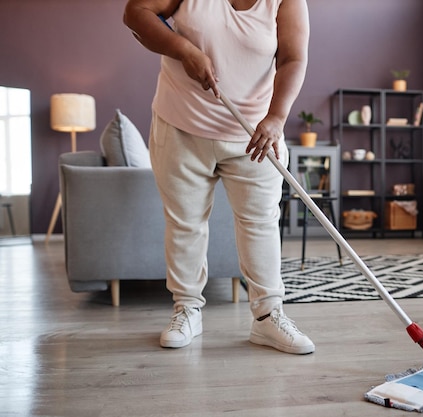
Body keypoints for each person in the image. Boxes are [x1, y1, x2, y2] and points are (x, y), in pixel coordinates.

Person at [123, 0, 314, 354]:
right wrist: (183, 49)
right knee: (185, 222)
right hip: (181, 125)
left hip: (255, 132)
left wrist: (276, 117)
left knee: (260, 222)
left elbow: (292, 59)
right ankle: (187, 309)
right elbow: (135, 13)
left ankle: (268, 317)